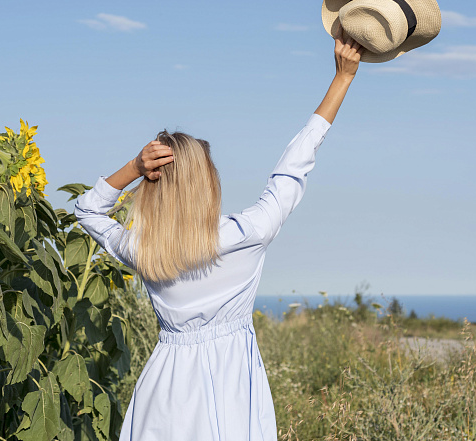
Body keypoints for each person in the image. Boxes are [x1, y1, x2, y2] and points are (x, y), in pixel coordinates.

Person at [74, 32, 364, 440]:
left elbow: (87, 209)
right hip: (232, 392)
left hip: (165, 394)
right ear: (207, 182)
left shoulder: (142, 249)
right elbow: (295, 163)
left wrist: (135, 167)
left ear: (156, 185)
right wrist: (342, 78)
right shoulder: (247, 233)